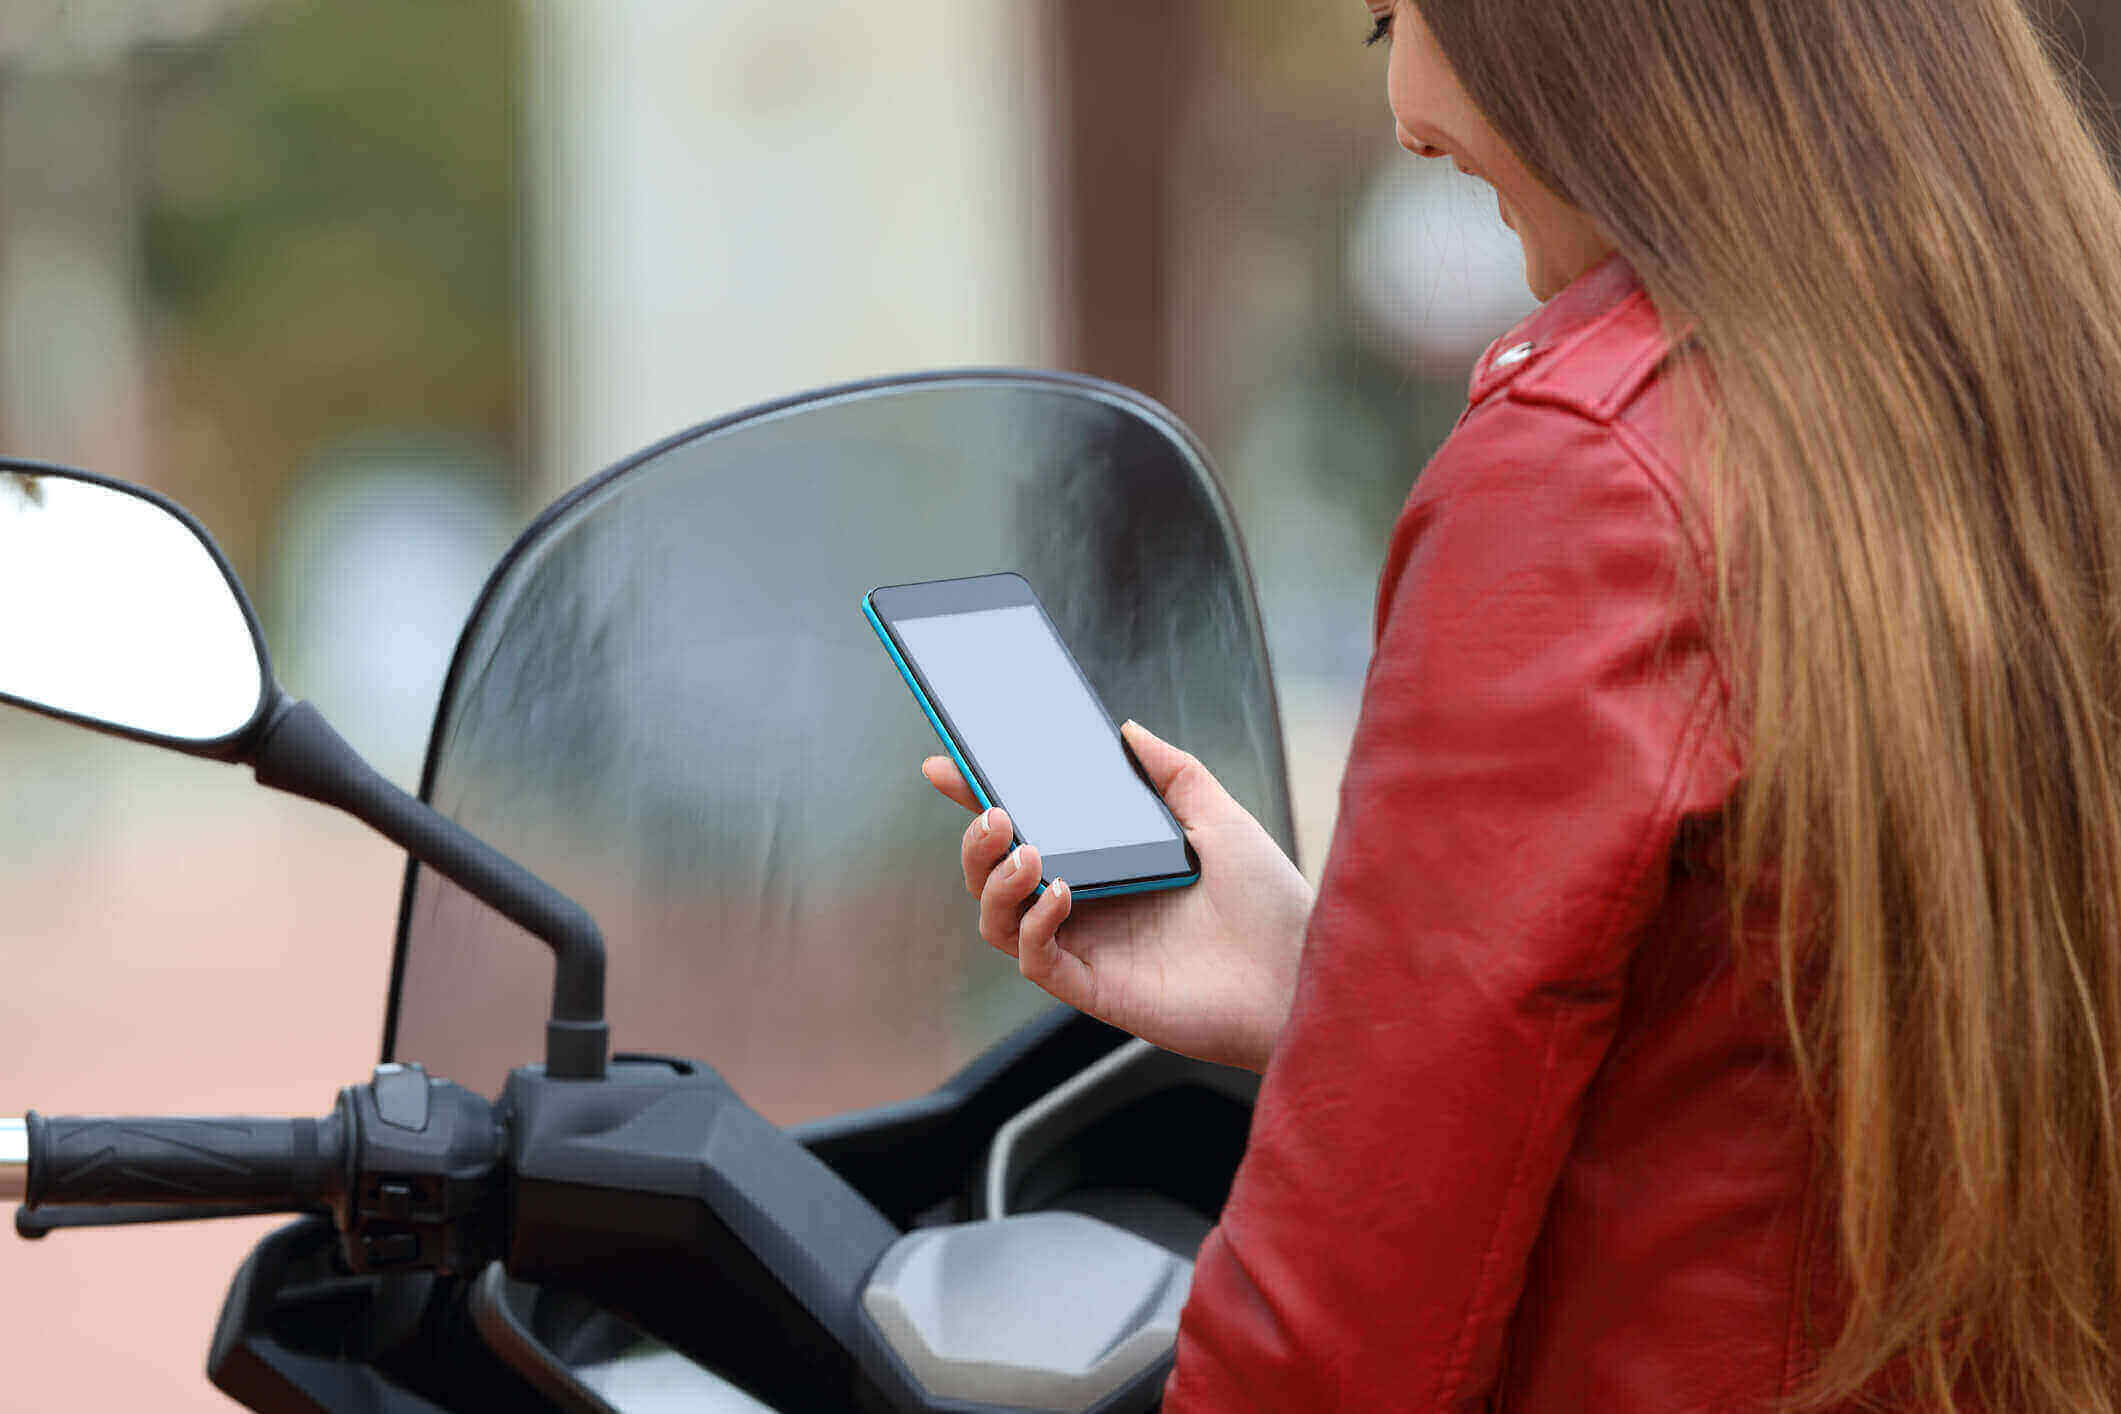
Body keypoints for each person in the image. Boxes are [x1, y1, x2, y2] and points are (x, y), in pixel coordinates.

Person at [923, 0, 2121, 1408]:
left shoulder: (1591, 474)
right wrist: (1349, 987)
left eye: (1393, 18)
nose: (1407, 109)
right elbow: (1799, 1084)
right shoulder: (2039, 406)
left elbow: (1327, 1353)